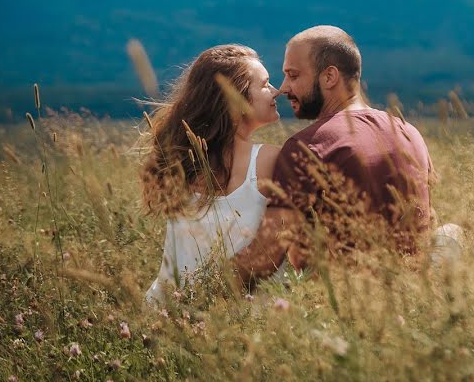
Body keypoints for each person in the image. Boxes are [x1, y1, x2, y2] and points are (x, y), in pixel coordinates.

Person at [233, 26, 435, 281]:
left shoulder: (308, 147)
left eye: (293, 75)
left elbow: (265, 258)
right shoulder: (410, 133)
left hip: (346, 308)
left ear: (329, 77)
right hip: (413, 299)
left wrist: (200, 287)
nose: (283, 88)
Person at [142, 44, 282, 304]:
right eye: (265, 85)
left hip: (167, 308)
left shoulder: (179, 162)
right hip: (241, 323)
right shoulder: (270, 160)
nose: (276, 91)